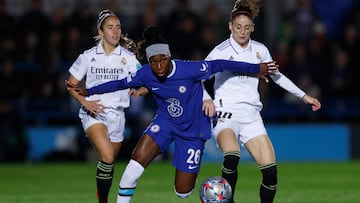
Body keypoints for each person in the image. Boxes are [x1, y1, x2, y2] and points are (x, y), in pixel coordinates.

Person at [66, 25, 278, 203]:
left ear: (169, 57)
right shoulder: (146, 73)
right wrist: (89, 91)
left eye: (162, 60)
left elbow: (221, 64)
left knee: (182, 192)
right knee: (137, 160)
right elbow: (119, 83)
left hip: (192, 131)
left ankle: (197, 183)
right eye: (153, 62)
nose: (158, 66)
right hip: (165, 122)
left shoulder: (190, 69)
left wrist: (255, 68)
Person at [203, 1, 322, 203]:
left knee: (270, 173)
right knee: (231, 158)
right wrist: (207, 99)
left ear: (253, 28)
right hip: (225, 114)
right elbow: (198, 77)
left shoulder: (260, 50)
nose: (242, 32)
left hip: (251, 117)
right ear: (230, 26)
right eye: (238, 27)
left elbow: (277, 76)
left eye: (247, 27)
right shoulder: (220, 51)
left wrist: (304, 95)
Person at [65, 9, 145, 203]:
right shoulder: (88, 56)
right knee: (108, 156)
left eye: (118, 27)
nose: (116, 31)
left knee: (108, 163)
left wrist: (139, 90)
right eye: (110, 27)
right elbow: (70, 85)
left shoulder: (128, 57)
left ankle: (101, 196)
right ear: (100, 32)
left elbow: (146, 82)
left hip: (118, 116)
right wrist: (85, 103)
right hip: (94, 113)